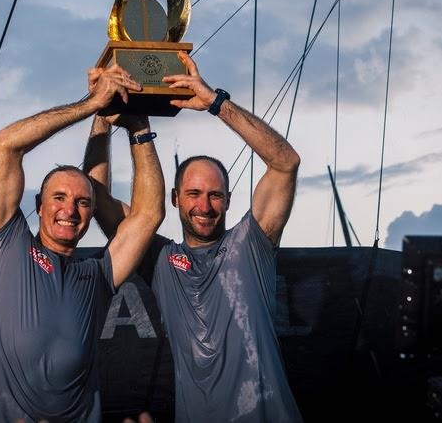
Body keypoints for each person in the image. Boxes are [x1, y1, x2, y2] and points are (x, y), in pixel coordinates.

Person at [85, 52, 303, 422]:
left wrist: (216, 103)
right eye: (194, 194)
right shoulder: (161, 261)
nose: (205, 205)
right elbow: (95, 199)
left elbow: (286, 163)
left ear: (229, 200)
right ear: (174, 199)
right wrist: (101, 117)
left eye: (215, 194)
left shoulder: (251, 243)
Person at [0, 65, 165, 423]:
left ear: (90, 216)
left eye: (83, 203)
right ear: (39, 206)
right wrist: (91, 104)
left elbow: (148, 215)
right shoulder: (5, 245)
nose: (69, 210)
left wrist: (137, 127)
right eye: (58, 198)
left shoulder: (97, 276)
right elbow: (7, 144)